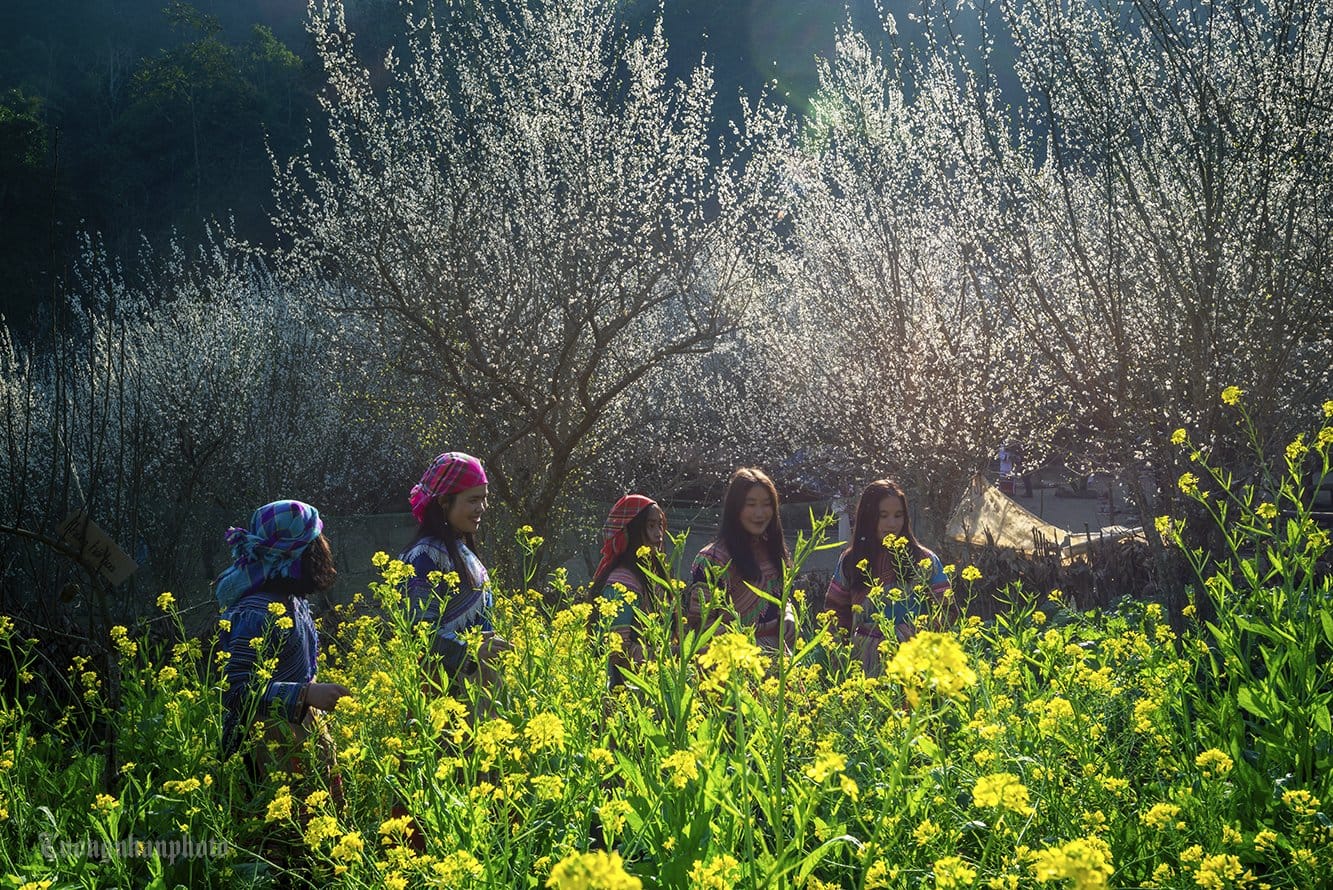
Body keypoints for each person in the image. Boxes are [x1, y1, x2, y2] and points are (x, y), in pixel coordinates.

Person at [217, 500, 350, 782]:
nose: (325, 547)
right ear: (298, 553)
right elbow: (235, 691)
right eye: (317, 540)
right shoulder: (256, 612)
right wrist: (306, 694)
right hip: (268, 751)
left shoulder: (290, 600)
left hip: (296, 737)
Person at [400, 451, 509, 703]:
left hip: (476, 687)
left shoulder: (460, 550)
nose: (481, 508)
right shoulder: (424, 556)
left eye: (484, 499)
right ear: (444, 502)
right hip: (444, 695)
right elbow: (421, 630)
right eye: (473, 500)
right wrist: (470, 651)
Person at [823, 479, 951, 675]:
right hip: (863, 664)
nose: (892, 524)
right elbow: (835, 614)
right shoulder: (851, 561)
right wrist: (838, 661)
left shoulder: (923, 560)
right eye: (883, 516)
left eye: (898, 516)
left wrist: (909, 634)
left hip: (913, 663)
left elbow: (947, 611)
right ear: (868, 517)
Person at [687, 467, 796, 651]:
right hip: (734, 663)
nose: (760, 514)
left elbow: (782, 598)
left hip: (779, 659)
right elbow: (699, 624)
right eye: (751, 504)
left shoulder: (773, 552)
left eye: (767, 504)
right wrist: (746, 647)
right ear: (735, 508)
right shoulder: (712, 560)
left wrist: (788, 614)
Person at [589, 495, 671, 685]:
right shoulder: (622, 583)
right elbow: (618, 653)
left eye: (660, 525)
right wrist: (673, 655)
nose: (658, 535)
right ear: (632, 531)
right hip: (626, 690)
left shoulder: (653, 578)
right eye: (650, 526)